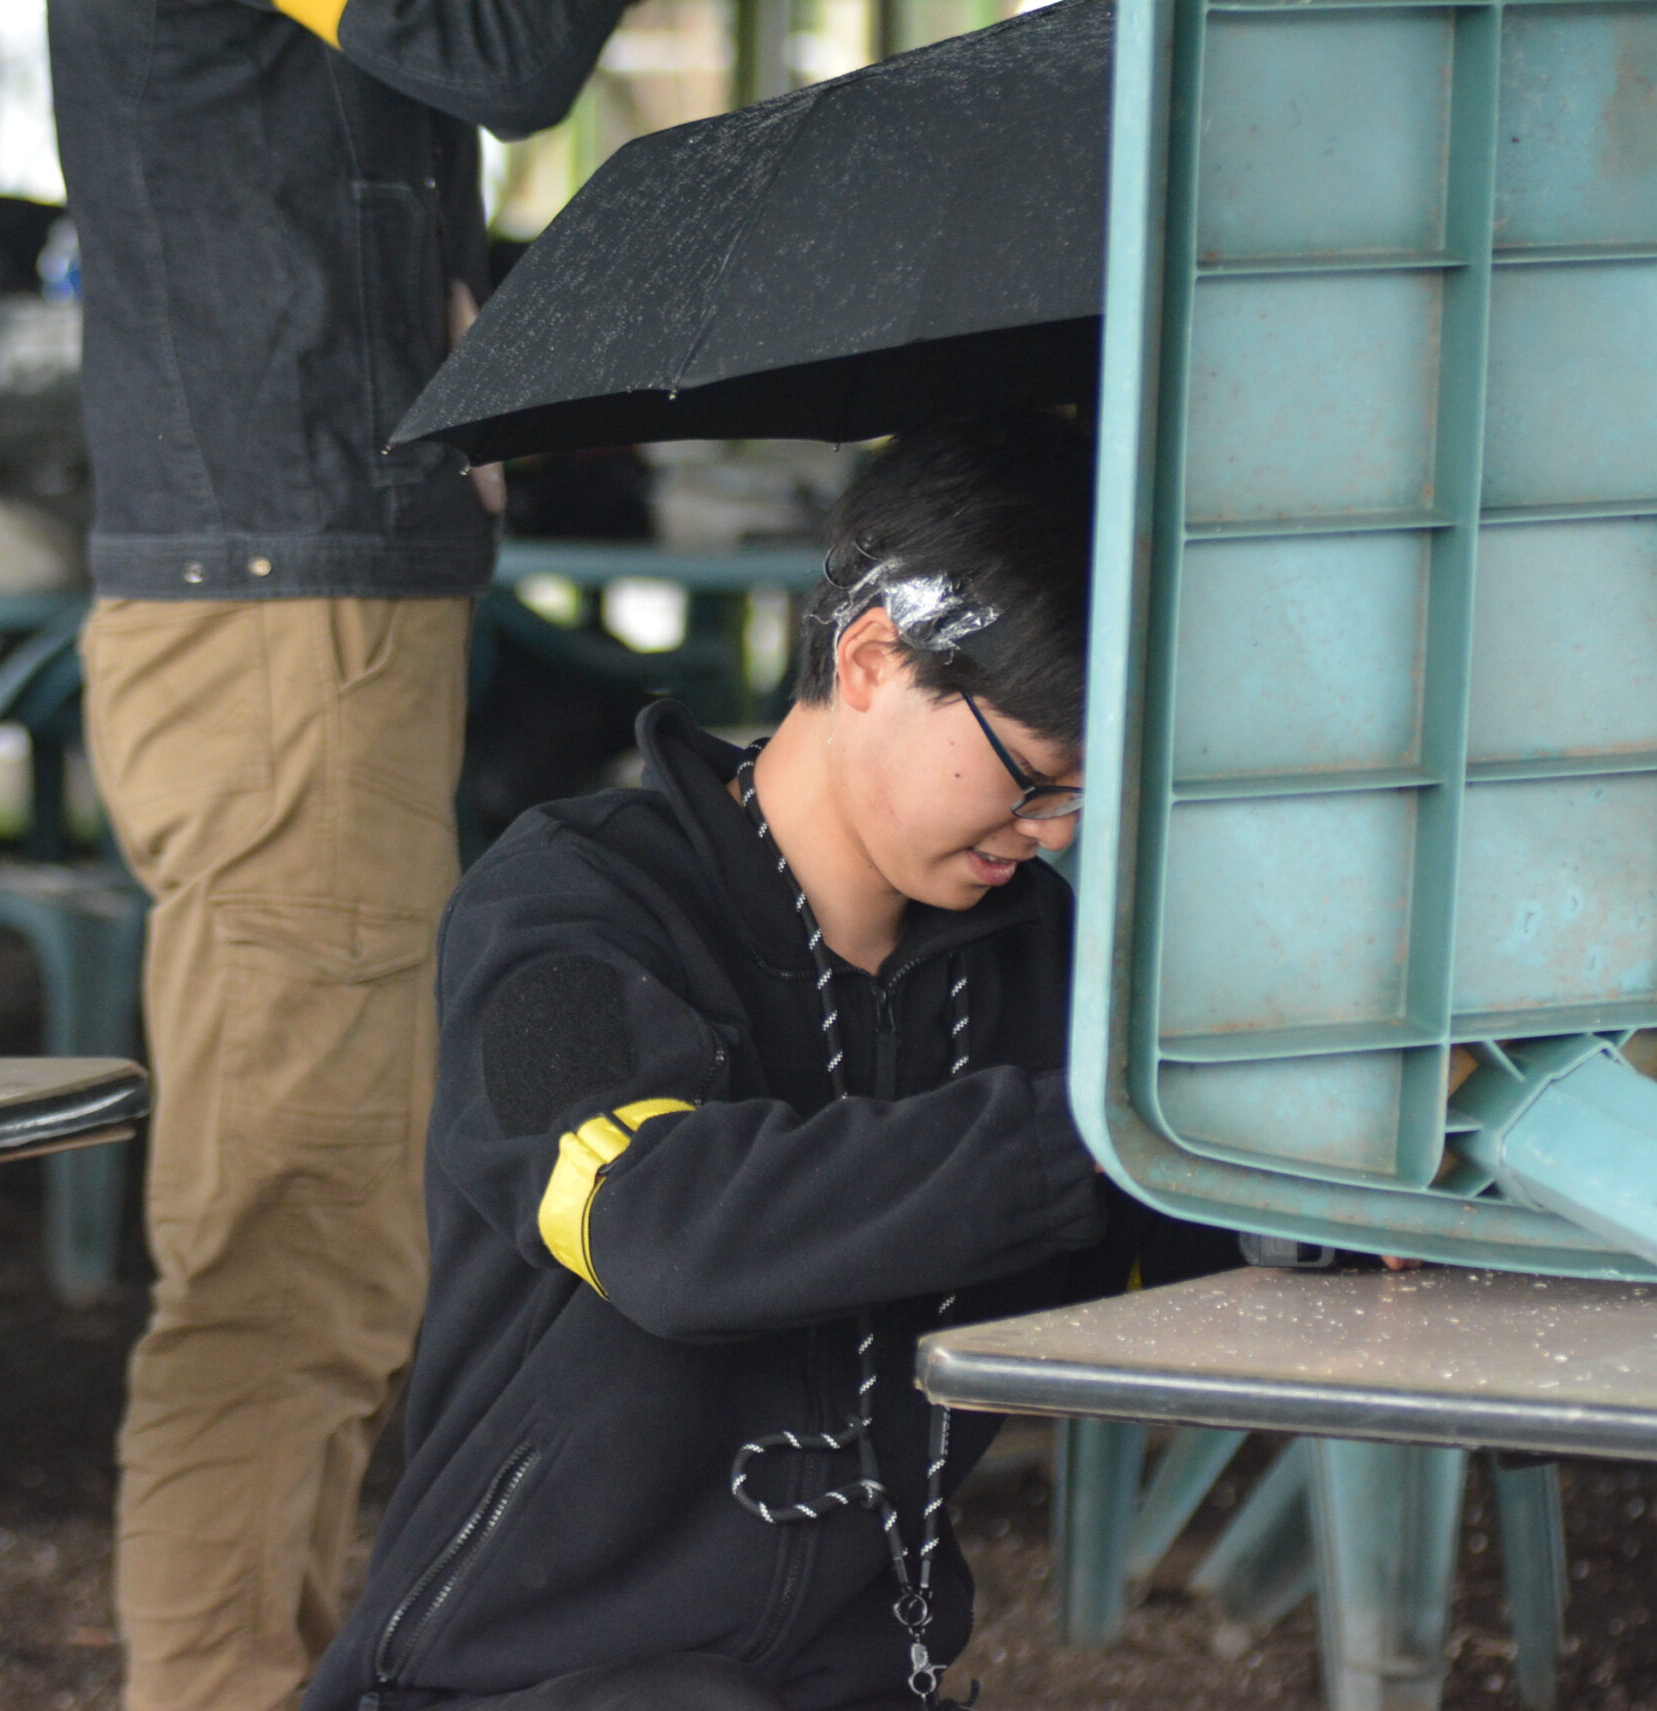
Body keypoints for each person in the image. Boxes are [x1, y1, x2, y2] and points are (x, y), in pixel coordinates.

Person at [303, 412, 1221, 1711]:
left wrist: (1327, 1188)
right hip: (523, 1679)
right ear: (871, 659)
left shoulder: (1036, 957)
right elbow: (658, 1224)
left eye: (1092, 794)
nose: (1056, 830)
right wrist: (1101, 1125)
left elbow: (1169, 1253)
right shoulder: (564, 908)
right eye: (1034, 775)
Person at [46, 3, 629, 1707]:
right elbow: (504, 53)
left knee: (335, 1238)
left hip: (307, 608)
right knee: (291, 1249)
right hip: (281, 626)